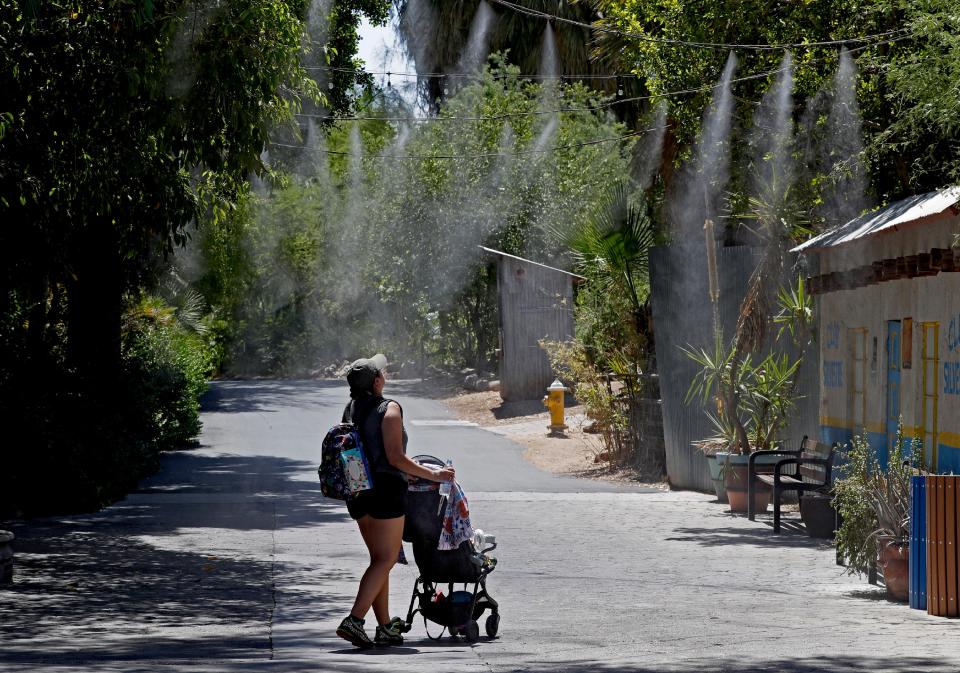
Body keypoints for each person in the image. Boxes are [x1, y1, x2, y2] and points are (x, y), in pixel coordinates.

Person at [335, 353, 455, 649]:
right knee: (386, 559)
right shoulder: (389, 408)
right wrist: (434, 473)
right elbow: (395, 457)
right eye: (383, 372)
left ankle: (386, 626)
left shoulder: (350, 409)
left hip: (358, 493)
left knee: (379, 561)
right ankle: (355, 620)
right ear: (377, 382)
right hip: (386, 493)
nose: (386, 374)